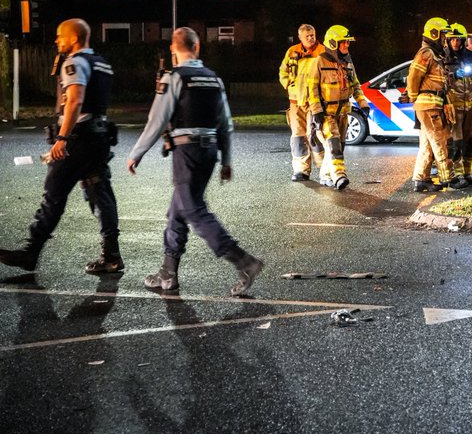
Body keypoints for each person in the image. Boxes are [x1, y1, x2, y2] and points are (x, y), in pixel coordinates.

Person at [127, 26, 264, 296]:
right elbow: (225, 124)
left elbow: (156, 120)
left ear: (173, 49)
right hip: (210, 151)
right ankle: (168, 273)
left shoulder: (174, 78)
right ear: (198, 47)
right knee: (178, 211)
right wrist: (226, 160)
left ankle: (244, 262)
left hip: (187, 152)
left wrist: (136, 153)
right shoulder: (214, 78)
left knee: (194, 210)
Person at [0, 19, 122, 274]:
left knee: (53, 196)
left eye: (60, 36)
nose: (57, 40)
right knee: (100, 194)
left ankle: (30, 252)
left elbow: (75, 100)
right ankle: (111, 256)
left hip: (78, 140)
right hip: (99, 139)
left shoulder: (74, 62)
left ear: (74, 38)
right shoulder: (102, 63)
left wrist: (62, 138)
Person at [301, 25, 369, 190]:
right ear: (333, 44)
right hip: (327, 115)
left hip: (343, 114)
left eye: (347, 42)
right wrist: (317, 111)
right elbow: (312, 89)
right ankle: (339, 176)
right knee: (334, 146)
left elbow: (356, 85)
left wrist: (363, 104)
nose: (347, 45)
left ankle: (325, 176)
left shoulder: (348, 63)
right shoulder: (319, 62)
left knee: (339, 146)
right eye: (343, 42)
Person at [408, 17, 470, 192]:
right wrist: (414, 97)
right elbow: (413, 77)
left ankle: (421, 179)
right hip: (429, 106)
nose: (445, 39)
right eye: (443, 34)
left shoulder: (435, 54)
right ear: (434, 34)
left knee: (427, 144)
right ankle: (448, 178)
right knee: (441, 141)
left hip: (433, 104)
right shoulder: (426, 54)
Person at [277, 23, 325, 182]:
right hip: (296, 102)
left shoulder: (322, 52)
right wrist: (288, 84)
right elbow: (283, 71)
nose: (311, 38)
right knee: (298, 136)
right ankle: (301, 170)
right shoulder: (292, 51)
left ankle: (325, 168)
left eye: (313, 35)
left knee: (315, 135)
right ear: (300, 37)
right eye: (307, 36)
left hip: (314, 102)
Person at [445, 23, 472, 184]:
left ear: (463, 41)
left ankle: (467, 173)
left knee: (470, 140)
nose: (455, 43)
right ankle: (456, 175)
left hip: (468, 105)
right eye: (452, 39)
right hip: (453, 106)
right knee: (455, 141)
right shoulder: (444, 57)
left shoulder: (468, 57)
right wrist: (453, 74)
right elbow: (440, 79)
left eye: (458, 39)